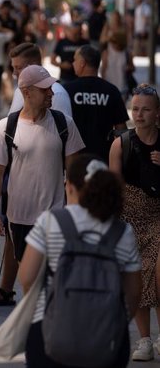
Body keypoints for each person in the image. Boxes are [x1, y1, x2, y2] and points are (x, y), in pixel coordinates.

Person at [19, 154, 141, 368]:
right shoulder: (123, 232)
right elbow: (133, 293)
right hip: (108, 339)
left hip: (49, 333)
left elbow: (27, 277)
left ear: (70, 187)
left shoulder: (50, 221)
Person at [0, 65, 84, 306]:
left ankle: (49, 328)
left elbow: (75, 173)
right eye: (45, 89)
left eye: (50, 87)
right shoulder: (6, 128)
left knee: (52, 277)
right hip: (19, 218)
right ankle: (39, 330)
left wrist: (76, 211)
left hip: (55, 216)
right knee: (31, 282)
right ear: (27, 92)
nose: (51, 92)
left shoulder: (64, 123)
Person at [109, 85, 160, 361]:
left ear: (158, 113)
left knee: (159, 275)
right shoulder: (122, 143)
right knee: (139, 278)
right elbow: (114, 188)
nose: (139, 114)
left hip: (159, 215)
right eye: (136, 108)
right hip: (131, 219)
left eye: (146, 109)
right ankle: (144, 340)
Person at [64, 45, 128, 162]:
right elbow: (121, 129)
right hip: (104, 157)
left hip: (74, 159)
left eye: (75, 60)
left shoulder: (67, 90)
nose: (73, 63)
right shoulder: (111, 90)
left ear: (82, 63)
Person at [8, 42, 72, 117]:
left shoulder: (57, 93)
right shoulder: (20, 90)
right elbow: (10, 123)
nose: (14, 73)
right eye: (13, 68)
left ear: (34, 65)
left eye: (18, 68)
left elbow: (64, 126)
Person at [101, 30, 133, 95]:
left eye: (115, 42)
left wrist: (129, 68)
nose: (113, 44)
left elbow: (132, 67)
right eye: (112, 42)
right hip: (109, 87)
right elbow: (103, 69)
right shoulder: (106, 52)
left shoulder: (126, 53)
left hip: (123, 87)